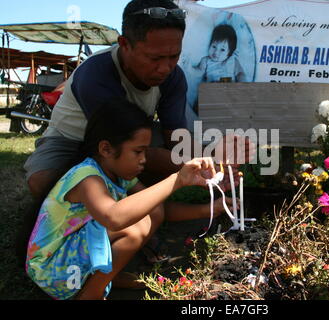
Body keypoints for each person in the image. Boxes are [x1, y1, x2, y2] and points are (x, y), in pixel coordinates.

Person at [25, 99, 233, 300]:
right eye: (138, 151)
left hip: (68, 263)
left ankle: (105, 278)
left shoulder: (119, 176)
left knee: (149, 212)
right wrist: (176, 179)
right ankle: (90, 294)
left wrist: (210, 208)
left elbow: (156, 209)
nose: (144, 159)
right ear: (106, 149)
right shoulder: (87, 179)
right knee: (133, 229)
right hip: (51, 272)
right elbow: (114, 217)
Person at [23, 0, 219, 201]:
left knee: (162, 150)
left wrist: (216, 159)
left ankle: (126, 193)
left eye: (174, 56)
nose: (165, 68)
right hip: (72, 140)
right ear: (124, 44)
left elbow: (176, 138)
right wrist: (195, 166)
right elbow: (123, 146)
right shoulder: (96, 74)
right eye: (154, 58)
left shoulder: (174, 77)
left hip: (130, 142)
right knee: (43, 183)